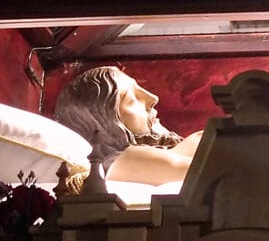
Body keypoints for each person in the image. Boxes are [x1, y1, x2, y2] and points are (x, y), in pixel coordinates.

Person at [54, 66, 200, 186]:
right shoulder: (117, 162)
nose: (153, 98)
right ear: (103, 125)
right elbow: (204, 170)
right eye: (132, 99)